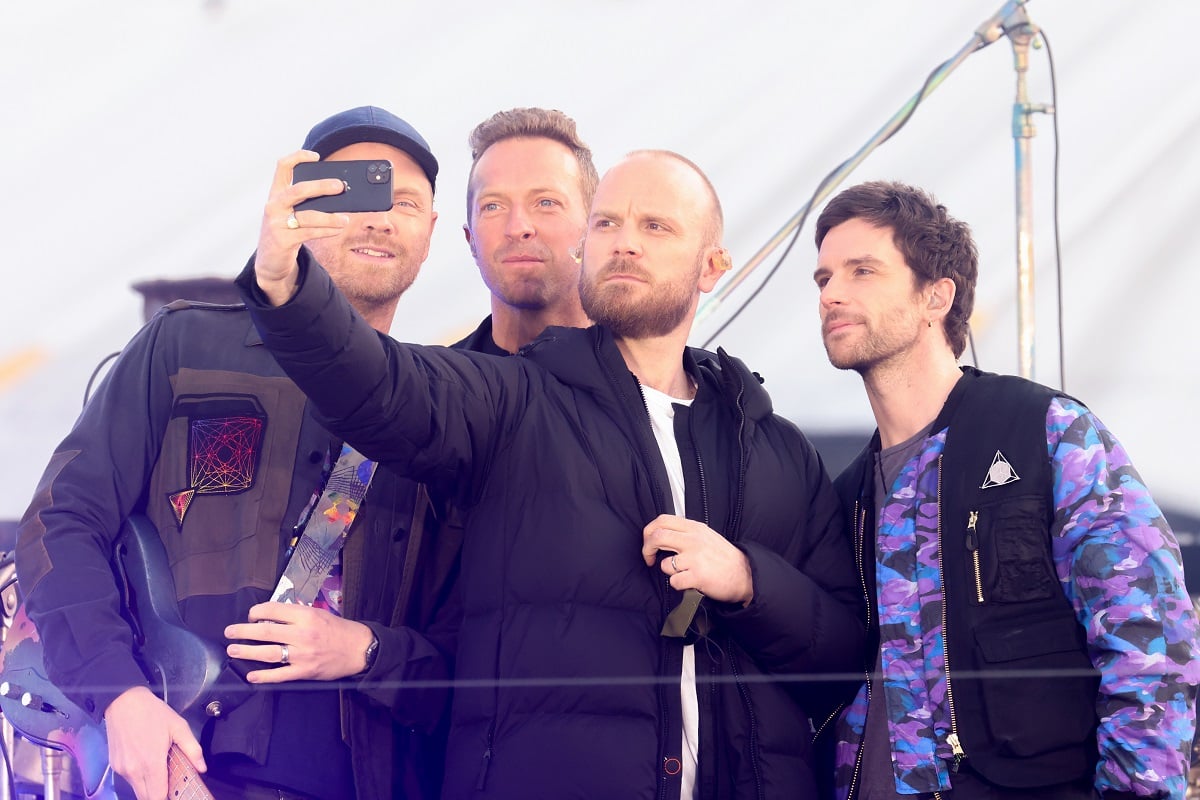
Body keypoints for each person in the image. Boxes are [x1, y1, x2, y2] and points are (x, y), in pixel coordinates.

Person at [237, 149, 865, 798]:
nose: (624, 242)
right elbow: (381, 384)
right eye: (606, 224)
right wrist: (285, 282)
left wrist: (747, 580)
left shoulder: (780, 451)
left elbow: (842, 662)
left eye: (656, 226)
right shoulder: (513, 399)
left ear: (713, 266)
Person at [15, 106, 458, 800]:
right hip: (179, 767)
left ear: (432, 235)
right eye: (356, 196)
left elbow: (476, 642)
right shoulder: (186, 349)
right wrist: (120, 694)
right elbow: (60, 523)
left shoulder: (444, 407)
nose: (379, 220)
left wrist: (368, 652)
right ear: (300, 210)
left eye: (404, 203)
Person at [811, 180, 1200, 800]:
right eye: (824, 277)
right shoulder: (843, 497)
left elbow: (1151, 640)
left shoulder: (1044, 432)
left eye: (862, 271)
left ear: (936, 295)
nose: (832, 293)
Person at [455, 107, 594, 355]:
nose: (518, 228)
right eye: (493, 206)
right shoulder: (438, 388)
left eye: (546, 202)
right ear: (470, 240)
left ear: (594, 230)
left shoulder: (659, 380)